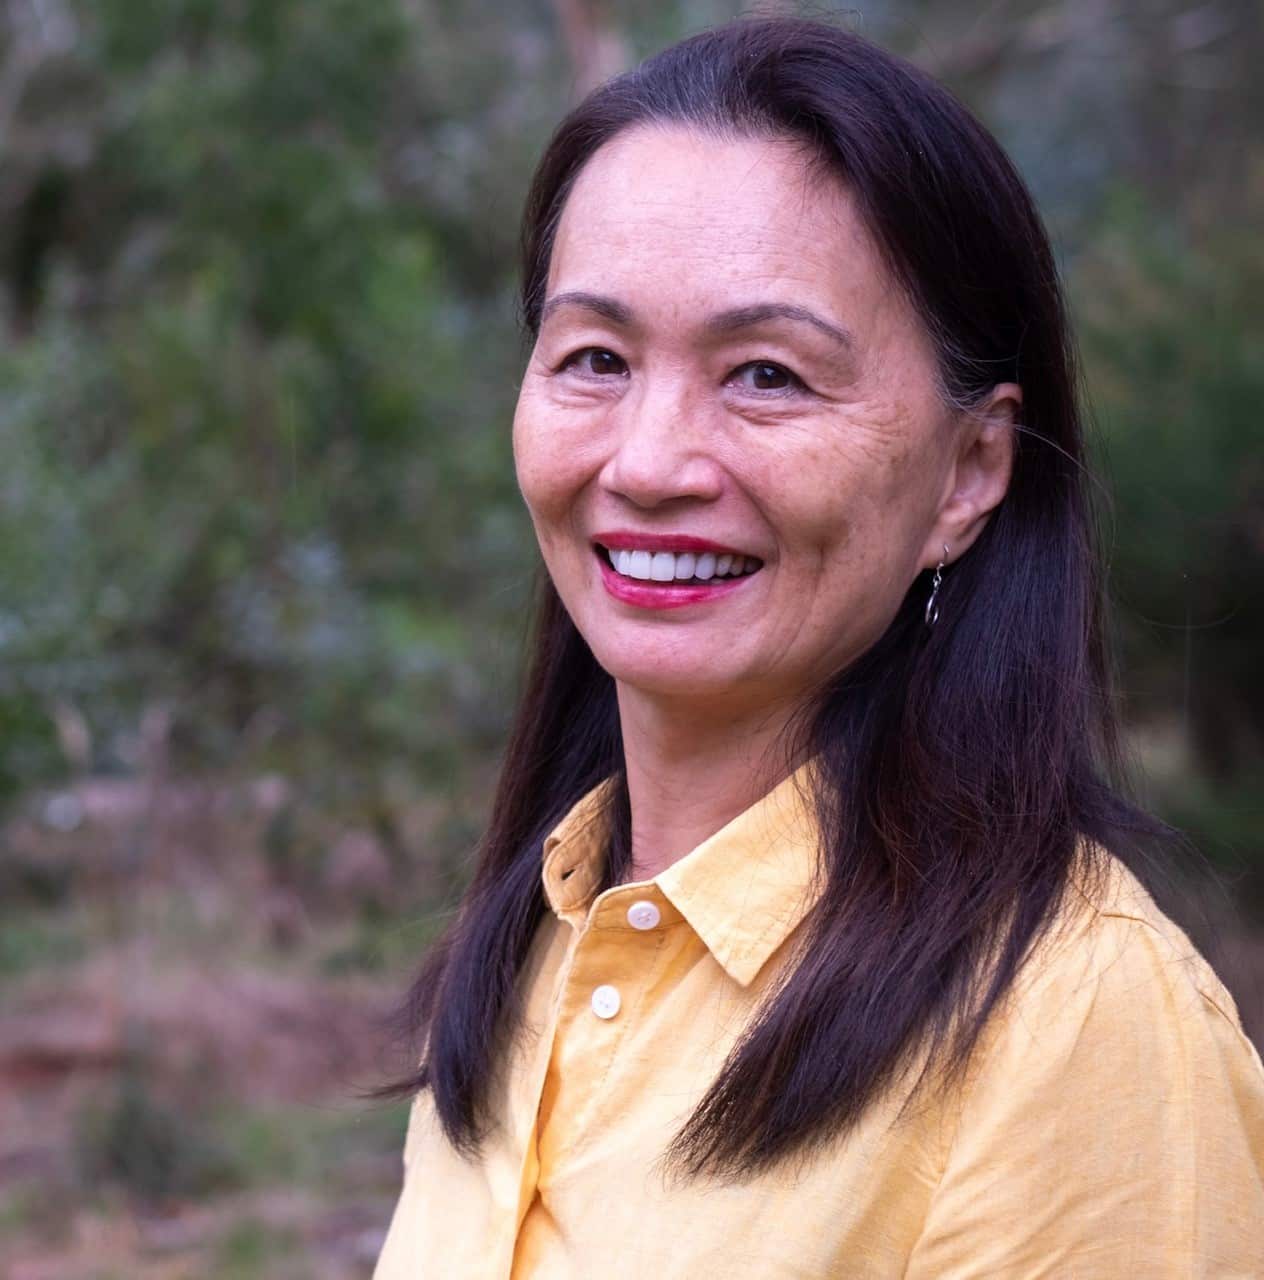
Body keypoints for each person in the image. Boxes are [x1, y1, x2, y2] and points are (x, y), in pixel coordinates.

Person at [372, 16, 1264, 1278]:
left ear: (969, 470)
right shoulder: (539, 938)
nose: (647, 460)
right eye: (593, 358)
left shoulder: (1075, 1027)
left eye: (768, 376)